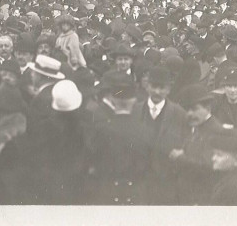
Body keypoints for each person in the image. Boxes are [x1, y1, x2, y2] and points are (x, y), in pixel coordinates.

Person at [84, 70, 150, 205]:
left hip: (107, 190)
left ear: (113, 100)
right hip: (136, 191)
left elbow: (92, 158)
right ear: (134, 101)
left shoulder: (101, 129)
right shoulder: (145, 130)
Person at [133, 66, 188, 205]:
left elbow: (186, 145)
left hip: (167, 184)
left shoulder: (179, 114)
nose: (157, 91)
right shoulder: (135, 111)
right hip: (139, 182)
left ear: (168, 89)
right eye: (154, 86)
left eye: (162, 87)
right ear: (147, 86)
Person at [172, 84, 226, 205]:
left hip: (203, 198)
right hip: (189, 195)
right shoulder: (196, 127)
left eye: (194, 109)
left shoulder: (215, 131)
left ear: (208, 108)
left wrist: (180, 157)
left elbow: (209, 165)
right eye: (187, 109)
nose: (190, 113)